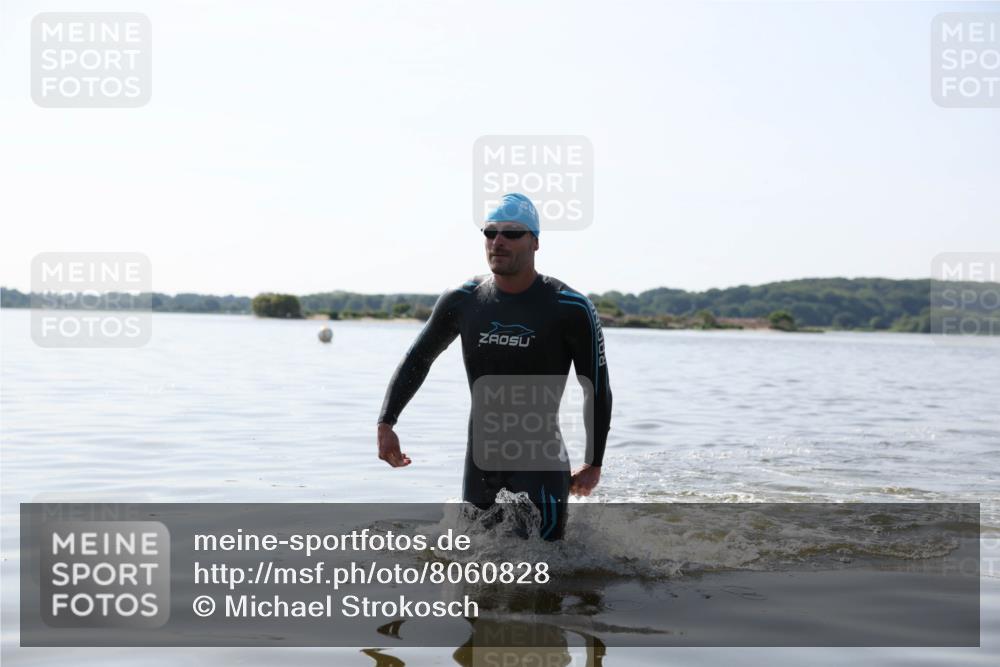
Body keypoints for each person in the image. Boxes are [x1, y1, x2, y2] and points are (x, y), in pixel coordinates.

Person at [376, 193, 612, 540]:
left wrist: (594, 462)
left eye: (512, 233)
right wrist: (386, 422)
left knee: (547, 568)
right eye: (490, 232)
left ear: (535, 241)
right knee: (473, 567)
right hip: (481, 462)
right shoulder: (463, 299)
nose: (498, 241)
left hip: (540, 461)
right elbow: (418, 358)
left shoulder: (570, 307)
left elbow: (596, 386)